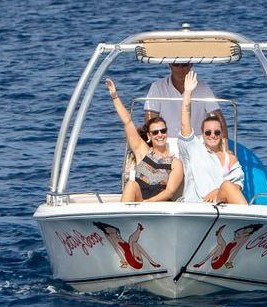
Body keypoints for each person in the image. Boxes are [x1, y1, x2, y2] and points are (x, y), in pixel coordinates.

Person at [103, 78, 182, 202]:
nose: (160, 135)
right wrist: (115, 96)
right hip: (138, 202)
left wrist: (147, 203)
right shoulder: (143, 151)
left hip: (159, 205)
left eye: (163, 130)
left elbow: (169, 192)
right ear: (149, 136)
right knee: (131, 185)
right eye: (155, 132)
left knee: (131, 186)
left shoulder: (175, 162)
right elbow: (127, 122)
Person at [177, 71, 245, 204]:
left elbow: (237, 186)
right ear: (202, 134)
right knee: (226, 185)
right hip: (197, 204)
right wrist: (188, 93)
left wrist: (217, 191)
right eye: (208, 132)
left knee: (227, 185)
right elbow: (185, 123)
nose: (212, 135)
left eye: (217, 132)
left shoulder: (229, 158)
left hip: (221, 204)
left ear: (221, 134)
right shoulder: (194, 148)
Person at [144, 61, 222, 140]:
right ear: (169, 64)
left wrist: (225, 148)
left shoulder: (203, 88)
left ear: (191, 64)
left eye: (184, 64)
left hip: (197, 143)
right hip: (166, 143)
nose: (180, 68)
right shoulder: (157, 87)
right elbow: (150, 121)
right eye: (176, 64)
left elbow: (217, 117)